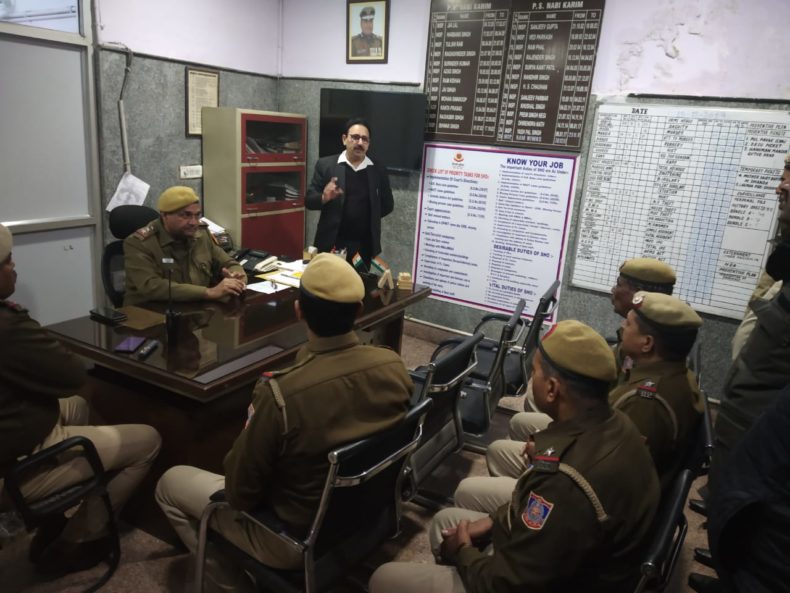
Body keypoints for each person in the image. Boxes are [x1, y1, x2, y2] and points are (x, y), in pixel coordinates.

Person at [155, 253, 412, 589]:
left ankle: (234, 584)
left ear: (298, 311)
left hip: (295, 538)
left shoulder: (281, 393)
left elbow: (239, 492)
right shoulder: (393, 365)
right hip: (367, 515)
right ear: (359, 312)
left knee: (170, 483)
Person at [370, 320, 660, 593]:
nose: (532, 377)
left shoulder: (564, 482)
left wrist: (463, 552)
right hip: (571, 565)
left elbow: (508, 585)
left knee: (384, 578)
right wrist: (494, 522)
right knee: (448, 521)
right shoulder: (619, 423)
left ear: (551, 389)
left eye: (535, 371)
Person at [0, 223, 161, 576]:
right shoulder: (7, 326)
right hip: (13, 463)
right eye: (8, 261)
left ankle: (55, 516)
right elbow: (71, 374)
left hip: (15, 423)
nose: (15, 268)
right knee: (148, 440)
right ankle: (80, 540)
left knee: (79, 405)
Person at [492, 257, 677, 470]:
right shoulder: (658, 339)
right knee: (534, 400)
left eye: (619, 284)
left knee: (540, 397)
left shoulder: (646, 396)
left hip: (587, 458)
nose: (613, 290)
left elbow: (608, 449)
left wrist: (549, 445)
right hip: (596, 424)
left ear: (638, 295)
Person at [607, 291, 703, 493]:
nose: (623, 326)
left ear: (647, 343)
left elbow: (615, 477)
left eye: (630, 324)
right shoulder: (677, 375)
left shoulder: (645, 403)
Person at [123, 185, 246, 306]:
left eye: (197, 215)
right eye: (185, 215)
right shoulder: (139, 243)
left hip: (193, 309)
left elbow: (229, 263)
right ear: (164, 215)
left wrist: (237, 279)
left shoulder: (201, 234)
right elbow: (151, 286)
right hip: (150, 313)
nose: (194, 222)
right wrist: (209, 292)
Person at [305, 117, 393, 267]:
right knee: (328, 285)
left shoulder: (377, 169)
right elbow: (309, 201)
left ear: (369, 144)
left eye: (364, 139)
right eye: (355, 137)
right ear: (344, 139)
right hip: (332, 243)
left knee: (359, 287)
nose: (360, 142)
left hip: (363, 246)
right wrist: (324, 197)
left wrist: (369, 217)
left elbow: (388, 204)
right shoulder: (326, 165)